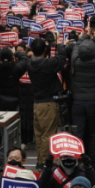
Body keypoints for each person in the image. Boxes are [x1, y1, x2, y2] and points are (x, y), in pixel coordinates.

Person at [71, 28, 95, 170]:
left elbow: (76, 46)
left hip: (78, 102)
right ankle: (94, 164)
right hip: (94, 102)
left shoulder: (75, 60)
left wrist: (88, 33)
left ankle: (78, 162)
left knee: (79, 134)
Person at [26, 36, 66, 169]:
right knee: (47, 135)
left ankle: (40, 159)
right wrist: (59, 43)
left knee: (39, 135)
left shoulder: (29, 63)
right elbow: (61, 58)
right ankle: (43, 163)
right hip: (48, 104)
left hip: (36, 104)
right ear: (45, 50)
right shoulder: (48, 64)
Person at [0, 46, 28, 111]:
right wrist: (15, 52)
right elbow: (25, 59)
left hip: (0, 102)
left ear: (0, 58)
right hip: (15, 101)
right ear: (13, 58)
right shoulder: (16, 68)